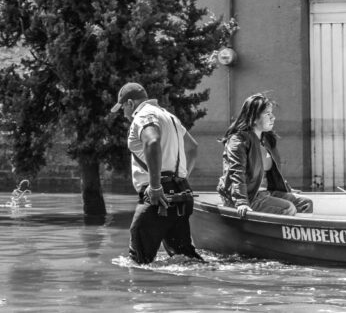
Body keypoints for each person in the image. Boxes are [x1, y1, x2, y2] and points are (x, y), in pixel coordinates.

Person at [111, 82, 204, 264]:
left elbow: (152, 141)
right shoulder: (169, 117)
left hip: (158, 197)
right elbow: (192, 147)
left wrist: (155, 186)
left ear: (130, 103)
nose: (123, 113)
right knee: (184, 259)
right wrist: (180, 178)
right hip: (181, 193)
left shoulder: (143, 116)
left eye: (122, 108)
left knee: (137, 263)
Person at [216, 93, 313, 217]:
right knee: (288, 208)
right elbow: (236, 172)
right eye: (267, 114)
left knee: (306, 204)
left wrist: (287, 189)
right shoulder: (238, 140)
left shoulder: (266, 139)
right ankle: (275, 231)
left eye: (272, 113)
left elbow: (270, 173)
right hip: (247, 196)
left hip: (265, 193)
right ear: (253, 118)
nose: (273, 117)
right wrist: (241, 202)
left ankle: (295, 230)